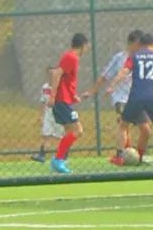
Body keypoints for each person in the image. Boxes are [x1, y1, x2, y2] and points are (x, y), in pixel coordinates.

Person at [88, 29, 143, 166]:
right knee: (123, 123)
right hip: (120, 98)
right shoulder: (119, 58)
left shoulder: (143, 58)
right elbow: (105, 76)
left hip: (138, 97)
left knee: (139, 127)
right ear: (130, 43)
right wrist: (93, 91)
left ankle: (131, 153)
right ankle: (120, 155)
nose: (140, 47)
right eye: (137, 44)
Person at [106, 31, 153, 164]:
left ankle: (119, 156)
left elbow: (124, 71)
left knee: (123, 125)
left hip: (136, 96)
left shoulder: (134, 56)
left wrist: (112, 85)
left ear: (140, 44)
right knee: (146, 130)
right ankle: (140, 157)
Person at [47, 32, 89, 175]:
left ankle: (61, 160)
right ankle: (58, 160)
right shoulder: (71, 57)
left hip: (65, 99)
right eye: (87, 46)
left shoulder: (71, 57)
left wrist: (73, 96)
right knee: (78, 130)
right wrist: (53, 96)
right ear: (83, 45)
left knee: (69, 131)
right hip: (61, 100)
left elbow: (65, 79)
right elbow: (56, 73)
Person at [30, 75, 64, 163]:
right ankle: (42, 155)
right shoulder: (45, 87)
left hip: (59, 116)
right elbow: (43, 102)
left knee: (60, 137)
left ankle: (61, 157)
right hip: (48, 116)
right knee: (46, 136)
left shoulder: (61, 86)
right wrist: (41, 115)